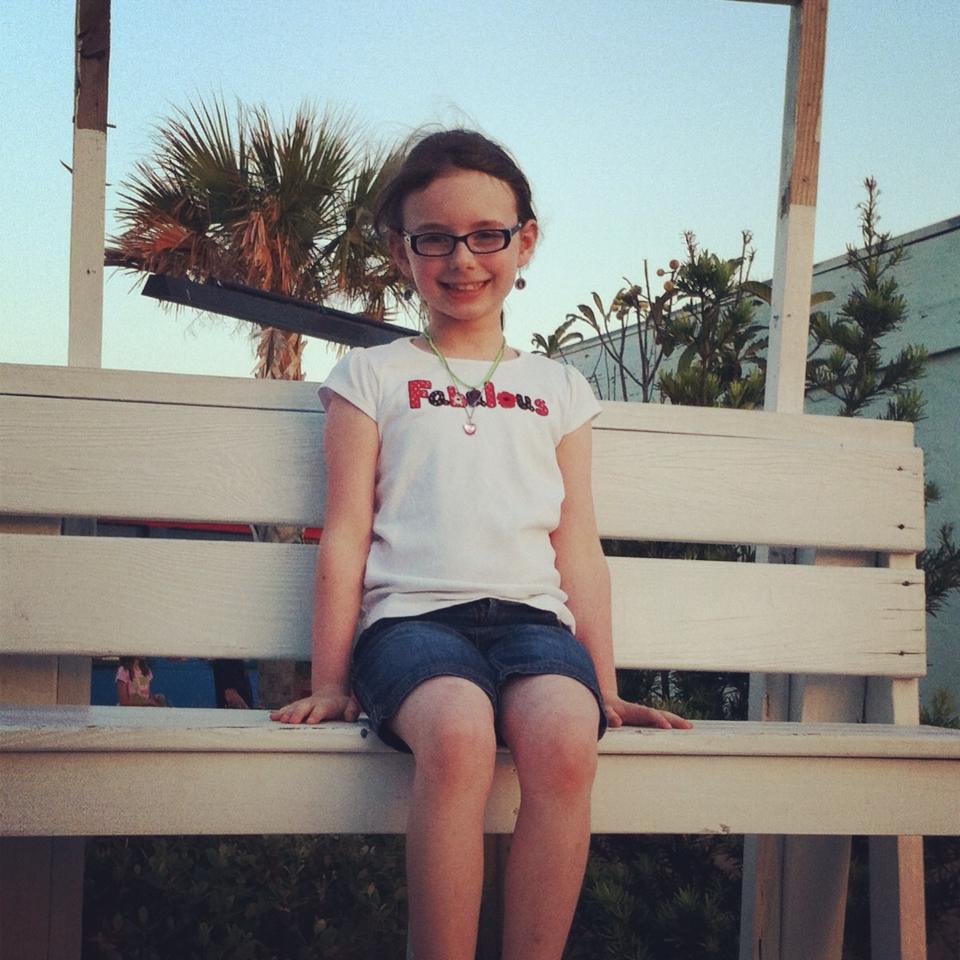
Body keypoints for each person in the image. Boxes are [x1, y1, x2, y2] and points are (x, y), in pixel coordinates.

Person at [270, 128, 692, 960]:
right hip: (411, 627)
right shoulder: (371, 376)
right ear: (402, 251)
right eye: (435, 238)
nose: (462, 259)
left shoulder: (559, 388)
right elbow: (346, 531)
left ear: (523, 241)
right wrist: (330, 680)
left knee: (567, 740)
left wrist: (603, 687)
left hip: (534, 627)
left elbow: (578, 547)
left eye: (485, 235)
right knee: (460, 736)